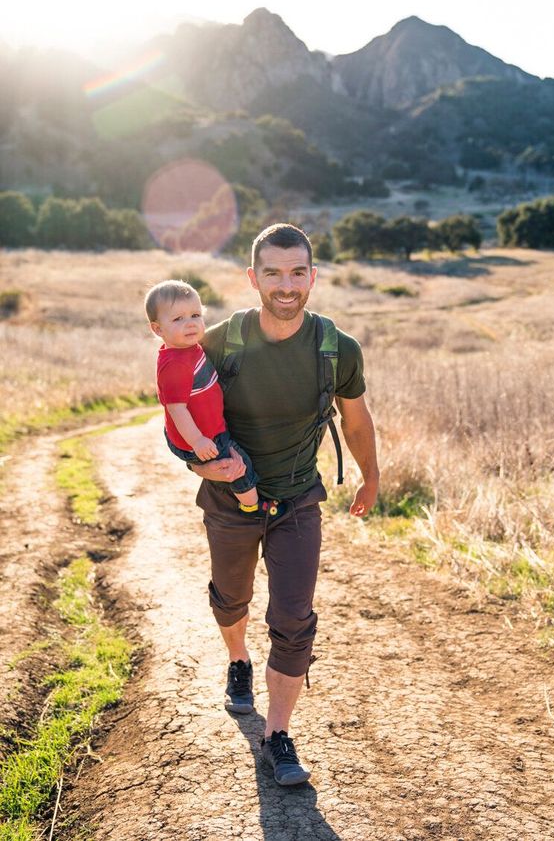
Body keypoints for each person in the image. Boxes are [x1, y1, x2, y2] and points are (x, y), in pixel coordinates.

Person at [189, 223, 379, 786]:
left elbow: (357, 418)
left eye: (297, 272)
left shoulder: (336, 347)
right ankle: (238, 660)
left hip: (298, 497)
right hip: (230, 500)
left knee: (294, 619)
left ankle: (277, 736)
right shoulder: (220, 344)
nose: (286, 284)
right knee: (232, 598)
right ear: (253, 278)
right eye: (272, 272)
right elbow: (181, 420)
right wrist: (202, 464)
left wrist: (371, 477)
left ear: (313, 277)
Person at [145, 279, 284, 518]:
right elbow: (176, 409)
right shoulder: (175, 364)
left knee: (235, 459)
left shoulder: (186, 348)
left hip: (199, 431)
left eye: (195, 315)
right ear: (158, 329)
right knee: (238, 466)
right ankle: (253, 507)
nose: (190, 324)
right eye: (178, 319)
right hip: (202, 436)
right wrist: (198, 441)